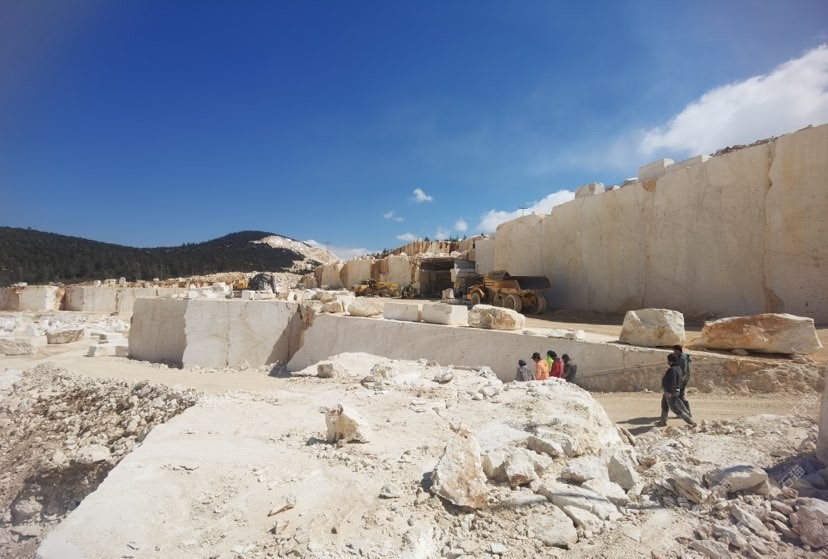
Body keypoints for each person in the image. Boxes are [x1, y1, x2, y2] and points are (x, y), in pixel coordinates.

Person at [657, 353, 695, 426]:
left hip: (671, 391)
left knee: (675, 409)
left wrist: (669, 391)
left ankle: (691, 422)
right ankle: (662, 421)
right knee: (664, 405)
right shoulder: (678, 368)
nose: (667, 362)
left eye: (668, 360)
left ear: (671, 361)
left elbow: (672, 381)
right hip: (671, 390)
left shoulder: (672, 370)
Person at [673, 345, 692, 414]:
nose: (673, 352)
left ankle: (687, 412)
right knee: (679, 395)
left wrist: (680, 380)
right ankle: (683, 412)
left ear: (677, 350)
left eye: (674, 350)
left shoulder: (682, 359)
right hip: (682, 379)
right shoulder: (680, 357)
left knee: (680, 396)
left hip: (682, 380)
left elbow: (684, 371)